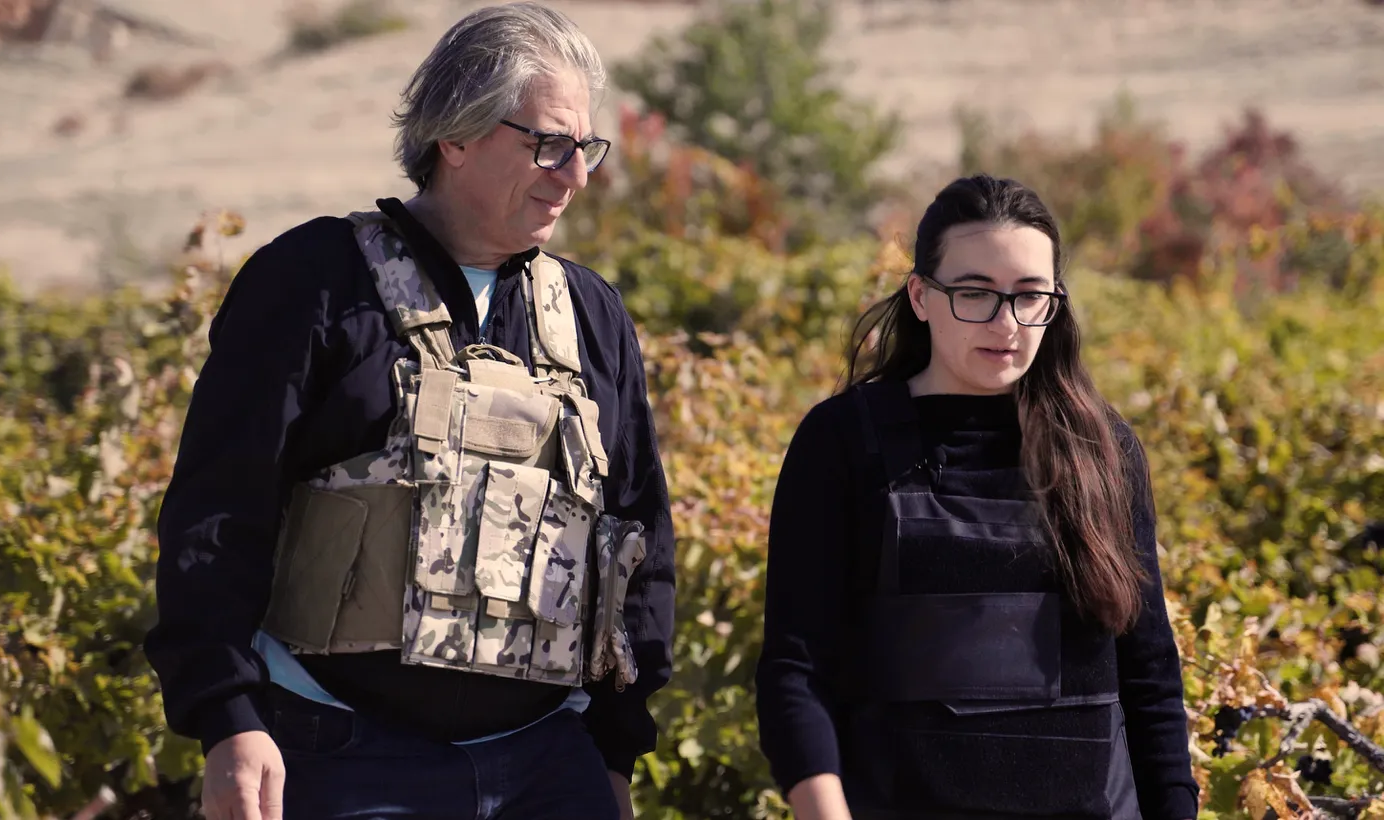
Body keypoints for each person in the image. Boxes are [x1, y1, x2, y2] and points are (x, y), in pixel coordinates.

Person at [142, 5, 676, 819]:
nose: (575, 174)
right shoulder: (314, 282)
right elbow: (220, 512)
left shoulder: (592, 314)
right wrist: (227, 715)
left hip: (547, 762)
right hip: (342, 754)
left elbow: (639, 536)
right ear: (453, 137)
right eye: (548, 144)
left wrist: (613, 747)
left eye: (585, 148)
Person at [754, 174, 1200, 820]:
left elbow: (1150, 675)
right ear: (921, 296)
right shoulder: (843, 440)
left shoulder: (1104, 449)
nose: (1006, 323)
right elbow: (796, 667)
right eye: (975, 294)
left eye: (1029, 297)